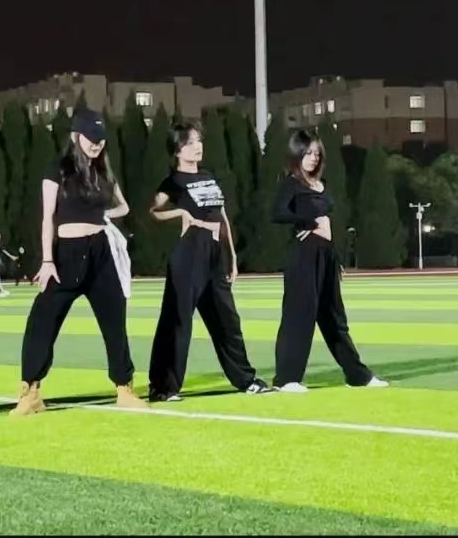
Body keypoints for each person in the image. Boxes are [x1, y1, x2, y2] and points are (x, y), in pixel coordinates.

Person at [10, 109, 146, 415]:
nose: (97, 144)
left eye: (101, 139)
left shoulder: (104, 171)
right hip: (66, 255)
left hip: (102, 252)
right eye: (91, 138)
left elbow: (123, 207)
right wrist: (47, 260)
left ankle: (124, 388)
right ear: (76, 136)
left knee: (115, 321)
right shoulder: (57, 168)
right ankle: (31, 392)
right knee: (42, 320)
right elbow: (47, 217)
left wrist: (101, 215)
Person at [146, 122, 271, 402]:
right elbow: (153, 211)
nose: (198, 146)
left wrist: (232, 256)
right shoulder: (172, 182)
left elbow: (221, 215)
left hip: (215, 253)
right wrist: (179, 214)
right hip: (190, 251)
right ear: (178, 150)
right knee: (177, 320)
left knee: (228, 319)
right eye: (190, 142)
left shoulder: (208, 176)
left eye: (199, 140)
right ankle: (163, 387)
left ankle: (246, 380)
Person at [270, 129, 387, 392]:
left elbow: (330, 221)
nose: (313, 158)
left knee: (335, 319)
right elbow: (277, 213)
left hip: (326, 255)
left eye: (316, 153)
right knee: (299, 317)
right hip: (303, 255)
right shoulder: (291, 183)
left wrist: (335, 256)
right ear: (296, 154)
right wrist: (308, 222)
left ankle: (357, 376)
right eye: (307, 153)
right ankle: (286, 379)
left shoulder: (321, 184)